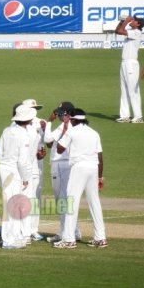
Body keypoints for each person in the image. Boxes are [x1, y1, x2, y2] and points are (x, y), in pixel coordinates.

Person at [53, 108, 107, 249]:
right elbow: (100, 157)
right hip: (93, 168)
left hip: (79, 168)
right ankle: (100, 238)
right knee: (94, 202)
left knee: (72, 202)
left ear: (74, 120)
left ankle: (69, 239)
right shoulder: (94, 133)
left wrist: (64, 130)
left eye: (70, 119)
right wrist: (100, 177)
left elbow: (59, 149)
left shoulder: (71, 131)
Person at [0, 104, 35, 249]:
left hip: (4, 169)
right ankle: (8, 240)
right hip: (13, 171)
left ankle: (14, 236)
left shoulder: (7, 130)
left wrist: (5, 164)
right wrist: (25, 178)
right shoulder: (23, 135)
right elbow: (22, 160)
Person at [44, 102, 82, 243]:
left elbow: (47, 139)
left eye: (60, 113)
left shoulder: (64, 126)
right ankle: (73, 231)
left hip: (60, 165)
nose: (58, 116)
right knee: (67, 200)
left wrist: (49, 122)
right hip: (68, 164)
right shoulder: (74, 126)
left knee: (61, 201)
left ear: (67, 114)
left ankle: (65, 233)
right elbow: (51, 143)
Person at [22, 99, 47, 241]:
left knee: (36, 198)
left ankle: (33, 229)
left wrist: (47, 125)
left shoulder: (41, 122)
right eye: (32, 107)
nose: (35, 110)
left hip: (38, 165)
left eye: (36, 107)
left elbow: (47, 142)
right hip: (23, 166)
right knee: (25, 196)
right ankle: (23, 229)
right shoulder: (17, 124)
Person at [115, 16, 144, 123]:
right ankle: (125, 116)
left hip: (131, 63)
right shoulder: (131, 31)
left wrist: (126, 21)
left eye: (134, 20)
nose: (132, 21)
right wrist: (122, 22)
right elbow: (117, 31)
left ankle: (138, 116)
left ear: (138, 24)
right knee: (124, 90)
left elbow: (120, 31)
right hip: (124, 62)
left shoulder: (137, 32)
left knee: (133, 90)